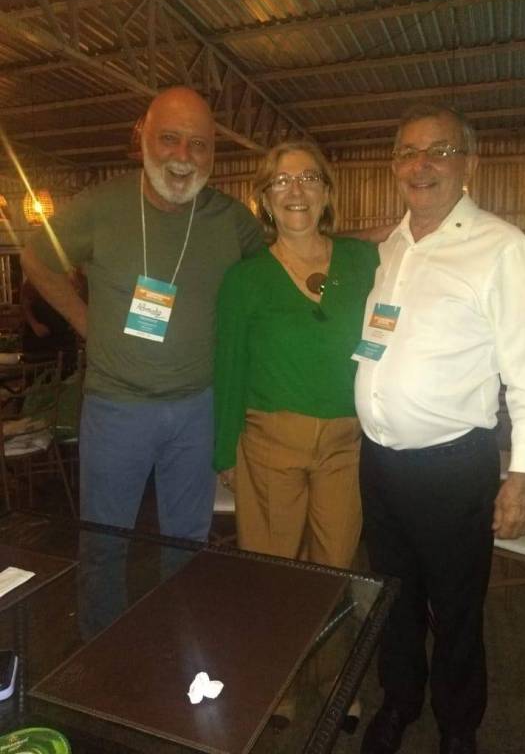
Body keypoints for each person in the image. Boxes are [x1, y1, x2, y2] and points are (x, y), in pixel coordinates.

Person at [354, 104, 525, 754]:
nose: (422, 165)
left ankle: (457, 724)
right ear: (394, 165)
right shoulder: (391, 247)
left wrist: (523, 475)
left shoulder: (501, 248)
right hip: (379, 462)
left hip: (452, 467)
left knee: (456, 606)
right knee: (393, 597)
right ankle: (399, 701)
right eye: (408, 152)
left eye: (439, 151)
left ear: (469, 162)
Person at [21, 86, 264, 541]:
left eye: (198, 144)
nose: (183, 156)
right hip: (117, 408)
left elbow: (287, 261)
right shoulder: (100, 205)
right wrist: (84, 321)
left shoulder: (230, 219)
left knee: (187, 542)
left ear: (213, 153)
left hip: (198, 409)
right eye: (169, 138)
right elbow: (36, 258)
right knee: (104, 541)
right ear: (144, 140)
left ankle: (180, 593)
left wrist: (366, 244)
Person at [214, 140, 378, 727]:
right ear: (264, 198)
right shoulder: (246, 279)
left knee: (335, 570)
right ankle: (275, 686)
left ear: (328, 192)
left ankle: (336, 682)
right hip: (267, 443)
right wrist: (224, 452)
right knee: (272, 571)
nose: (296, 191)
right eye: (281, 181)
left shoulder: (363, 261)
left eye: (309, 178)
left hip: (345, 445)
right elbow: (229, 367)